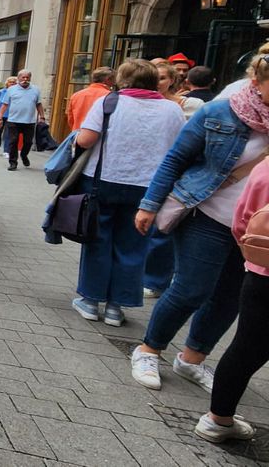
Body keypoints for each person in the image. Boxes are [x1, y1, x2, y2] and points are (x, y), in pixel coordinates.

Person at [131, 44, 269, 393]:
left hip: (256, 229)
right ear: (257, 80)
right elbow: (176, 159)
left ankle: (192, 358)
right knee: (192, 289)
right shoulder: (221, 111)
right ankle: (149, 349)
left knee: (229, 298)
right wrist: (149, 204)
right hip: (207, 213)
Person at [69, 60, 183, 327]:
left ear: (122, 80)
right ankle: (115, 307)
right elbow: (179, 149)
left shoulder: (109, 102)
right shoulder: (172, 110)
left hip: (103, 180)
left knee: (98, 239)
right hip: (148, 186)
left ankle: (90, 300)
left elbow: (85, 140)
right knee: (133, 245)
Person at [193, 158, 269, 443]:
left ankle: (218, 420)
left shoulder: (265, 168)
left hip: (263, 273)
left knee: (245, 347)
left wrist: (252, 257)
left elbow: (243, 222)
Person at [0, 70, 44, 171]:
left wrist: (42, 117)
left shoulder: (35, 90)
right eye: (23, 77)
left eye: (27, 77)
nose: (25, 79)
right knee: (13, 141)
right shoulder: (11, 90)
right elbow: (4, 105)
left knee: (28, 142)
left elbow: (38, 104)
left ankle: (24, 155)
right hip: (13, 120)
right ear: (18, 78)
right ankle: (13, 162)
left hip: (29, 121)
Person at [67, 67, 114, 131]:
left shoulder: (76, 95)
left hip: (78, 134)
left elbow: (71, 120)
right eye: (113, 80)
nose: (114, 83)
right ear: (107, 79)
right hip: (99, 136)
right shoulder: (111, 96)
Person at [0, 77, 16, 156]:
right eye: (11, 82)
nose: (12, 84)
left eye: (14, 82)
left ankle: (6, 151)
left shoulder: (16, 93)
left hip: (11, 115)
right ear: (7, 83)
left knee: (8, 133)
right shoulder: (1, 92)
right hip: (0, 115)